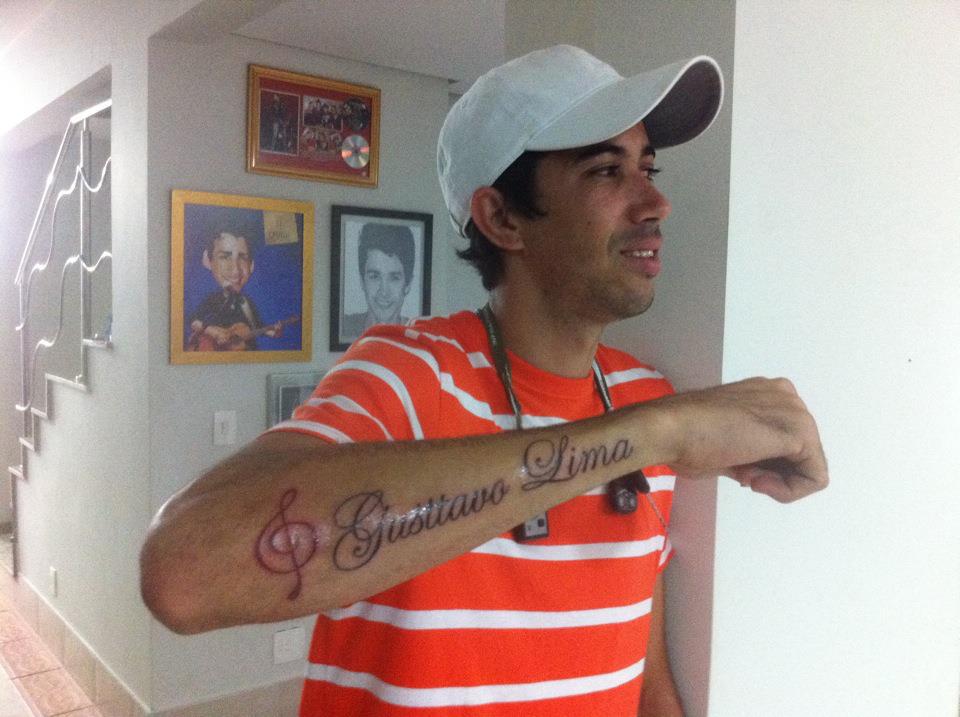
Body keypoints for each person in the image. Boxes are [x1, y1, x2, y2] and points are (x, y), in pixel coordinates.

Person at [142, 45, 828, 716]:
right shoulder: (410, 375)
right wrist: (655, 435)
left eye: (647, 168)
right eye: (606, 171)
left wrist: (656, 428)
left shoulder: (647, 398)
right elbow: (183, 575)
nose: (655, 203)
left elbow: (644, 681)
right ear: (502, 217)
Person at [187, 228, 280, 351]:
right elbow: (194, 322)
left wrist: (272, 332)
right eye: (225, 257)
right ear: (207, 260)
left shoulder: (246, 303)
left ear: (251, 265)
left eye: (242, 258)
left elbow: (256, 327)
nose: (236, 270)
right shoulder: (213, 299)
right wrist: (214, 332)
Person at [340, 222, 416, 340]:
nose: (384, 292)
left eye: (394, 278)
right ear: (362, 281)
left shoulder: (417, 335)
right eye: (375, 276)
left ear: (408, 284)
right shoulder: (344, 326)